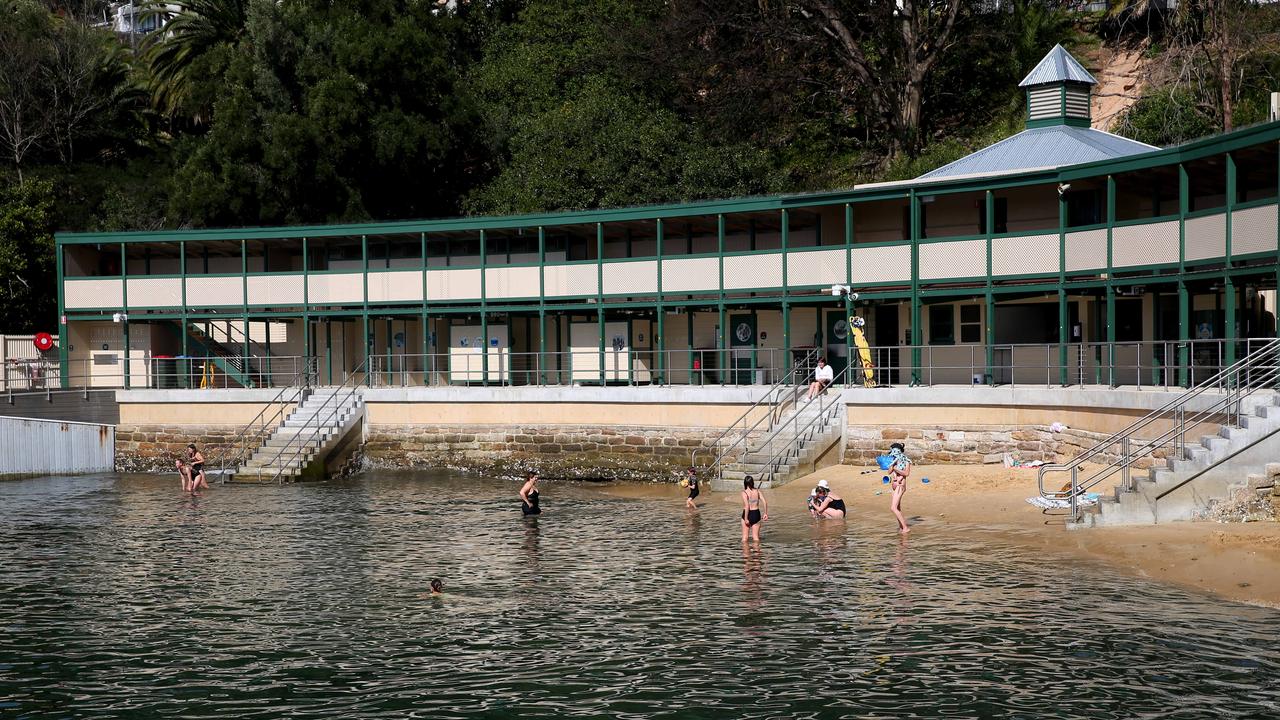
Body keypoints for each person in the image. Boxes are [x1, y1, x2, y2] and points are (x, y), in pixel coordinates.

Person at [888, 443, 912, 534]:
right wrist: (893, 464)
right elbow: (889, 472)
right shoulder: (894, 460)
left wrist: (896, 469)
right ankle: (901, 527)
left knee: (893, 508)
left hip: (900, 485)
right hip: (894, 486)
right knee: (897, 507)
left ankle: (905, 528)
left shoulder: (906, 461)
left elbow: (906, 473)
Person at [740, 476, 768, 542]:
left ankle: (745, 552)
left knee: (745, 538)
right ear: (752, 482)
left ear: (745, 483)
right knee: (756, 538)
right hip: (756, 514)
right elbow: (765, 502)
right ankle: (757, 551)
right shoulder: (757, 491)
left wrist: (746, 518)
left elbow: (747, 506)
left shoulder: (744, 493)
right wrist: (765, 513)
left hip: (747, 514)